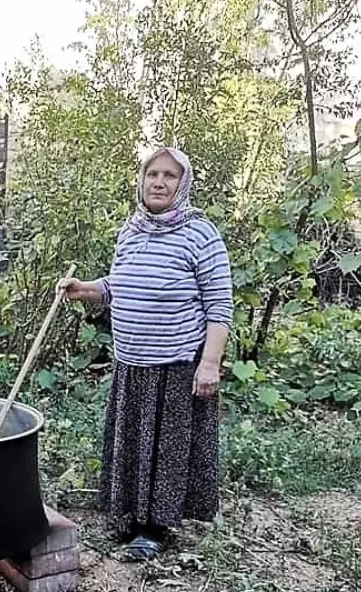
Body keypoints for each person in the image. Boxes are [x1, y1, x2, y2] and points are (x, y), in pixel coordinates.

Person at [59, 147, 232, 560]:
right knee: (134, 441)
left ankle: (156, 528)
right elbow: (121, 283)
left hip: (175, 365)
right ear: (141, 180)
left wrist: (210, 363)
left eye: (169, 175)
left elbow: (220, 304)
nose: (158, 182)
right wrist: (89, 289)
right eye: (152, 173)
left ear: (183, 183)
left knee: (166, 447)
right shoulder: (132, 229)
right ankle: (132, 516)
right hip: (131, 362)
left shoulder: (200, 234)